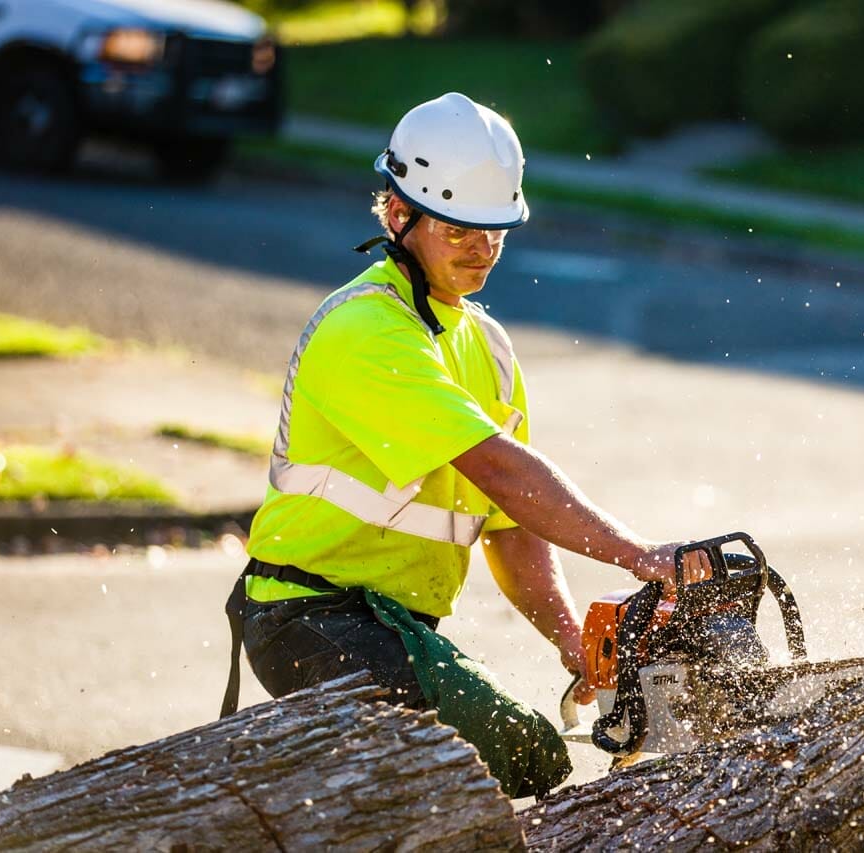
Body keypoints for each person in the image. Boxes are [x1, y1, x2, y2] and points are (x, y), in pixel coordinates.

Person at [220, 92, 711, 799]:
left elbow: (510, 527)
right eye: (460, 231)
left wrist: (575, 643)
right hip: (308, 614)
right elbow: (503, 473)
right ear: (399, 215)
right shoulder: (366, 330)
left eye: (496, 230)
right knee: (519, 754)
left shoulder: (489, 348)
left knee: (471, 774)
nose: (483, 248)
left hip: (394, 625)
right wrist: (641, 556)